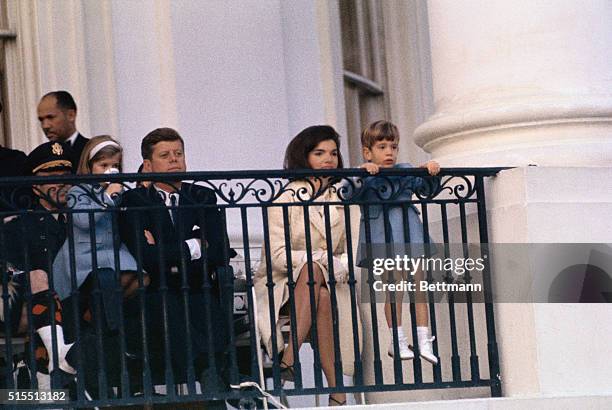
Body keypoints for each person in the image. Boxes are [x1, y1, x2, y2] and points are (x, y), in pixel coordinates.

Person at [119, 127, 236, 392]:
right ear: (148, 165)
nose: (174, 159)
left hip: (199, 284)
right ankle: (210, 374)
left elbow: (220, 249)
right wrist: (195, 245)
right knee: (170, 300)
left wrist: (167, 250)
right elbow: (146, 257)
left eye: (178, 153)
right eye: (165, 155)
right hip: (157, 290)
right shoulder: (135, 200)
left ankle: (208, 377)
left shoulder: (202, 196)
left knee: (199, 297)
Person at [254, 125, 361, 407]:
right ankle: (337, 392)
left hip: (331, 280)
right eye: (319, 152)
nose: (329, 159)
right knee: (313, 274)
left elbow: (351, 249)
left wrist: (336, 264)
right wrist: (321, 259)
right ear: (304, 156)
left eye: (334, 153)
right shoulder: (284, 199)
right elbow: (278, 256)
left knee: (322, 293)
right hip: (281, 285)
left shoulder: (342, 200)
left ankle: (289, 359)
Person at [356, 120, 440, 364]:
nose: (389, 152)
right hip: (382, 236)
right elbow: (348, 192)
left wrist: (429, 171)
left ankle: (424, 340)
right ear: (368, 151)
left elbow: (425, 188)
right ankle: (397, 340)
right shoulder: (365, 171)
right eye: (382, 147)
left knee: (419, 285)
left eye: (393, 146)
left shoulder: (404, 168)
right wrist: (363, 173)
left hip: (409, 231)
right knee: (394, 289)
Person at [52, 136, 148, 331]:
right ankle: (106, 324)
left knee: (143, 279)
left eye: (114, 165)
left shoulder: (117, 190)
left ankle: (96, 313)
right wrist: (107, 197)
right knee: (108, 283)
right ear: (90, 166)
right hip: (85, 254)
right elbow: (83, 221)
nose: (109, 170)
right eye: (103, 165)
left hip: (113, 250)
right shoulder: (78, 192)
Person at [0, 142, 77, 382]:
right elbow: (12, 271)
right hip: (28, 303)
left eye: (65, 176)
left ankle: (53, 380)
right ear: (35, 186)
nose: (62, 182)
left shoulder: (82, 221)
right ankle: (57, 360)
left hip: (72, 304)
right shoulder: (19, 224)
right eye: (52, 177)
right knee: (38, 279)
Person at [37, 91, 89, 170]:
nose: (45, 125)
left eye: (50, 117)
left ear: (71, 115)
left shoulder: (91, 151)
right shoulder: (40, 157)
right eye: (41, 120)